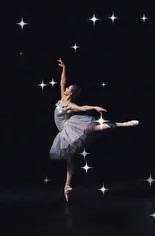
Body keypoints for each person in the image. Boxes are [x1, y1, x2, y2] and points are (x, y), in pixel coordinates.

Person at [49, 58, 139, 201]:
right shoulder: (62, 98)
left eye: (68, 89)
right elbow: (62, 81)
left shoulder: (70, 105)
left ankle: (124, 124)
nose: (65, 89)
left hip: (69, 128)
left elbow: (82, 108)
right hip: (63, 133)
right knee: (69, 161)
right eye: (66, 88)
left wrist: (94, 107)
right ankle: (67, 187)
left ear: (70, 94)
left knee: (95, 128)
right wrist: (64, 68)